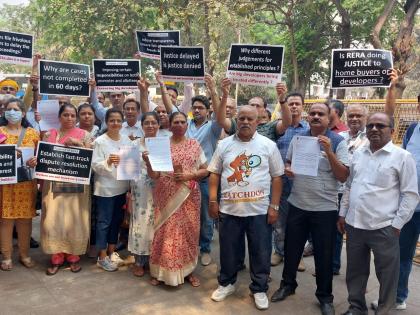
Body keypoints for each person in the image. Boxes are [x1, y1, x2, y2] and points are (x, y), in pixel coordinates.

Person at [271, 103, 349, 315]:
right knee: (291, 248)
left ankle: (325, 297)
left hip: (324, 209)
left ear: (329, 117)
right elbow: (289, 162)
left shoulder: (338, 142)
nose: (315, 116)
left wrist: (329, 152)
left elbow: (343, 176)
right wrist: (288, 169)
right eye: (312, 113)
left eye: (320, 114)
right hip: (298, 204)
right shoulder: (299, 139)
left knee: (323, 254)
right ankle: (288, 284)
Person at [338, 112, 419, 315]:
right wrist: (343, 214)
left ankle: (384, 309)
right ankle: (356, 307)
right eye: (371, 125)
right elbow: (349, 186)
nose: (374, 129)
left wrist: (397, 224)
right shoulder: (358, 153)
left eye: (380, 126)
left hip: (384, 227)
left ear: (392, 131)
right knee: (355, 272)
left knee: (387, 274)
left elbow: (410, 195)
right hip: (355, 225)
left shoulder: (402, 157)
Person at [208, 105, 284, 310]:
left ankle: (259, 288)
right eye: (241, 118)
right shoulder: (224, 145)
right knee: (228, 250)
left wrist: (274, 206)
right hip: (229, 210)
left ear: (258, 121)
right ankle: (227, 283)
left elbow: (277, 177)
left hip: (259, 211)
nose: (245, 122)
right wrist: (213, 201)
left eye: (250, 119)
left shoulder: (268, 145)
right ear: (236, 119)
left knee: (261, 251)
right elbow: (214, 173)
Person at [159, 74, 223, 267]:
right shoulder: (184, 127)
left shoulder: (213, 127)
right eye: (194, 107)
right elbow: (171, 110)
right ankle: (186, 249)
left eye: (200, 108)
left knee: (204, 217)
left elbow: (220, 115)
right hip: (178, 180)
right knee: (184, 218)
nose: (196, 110)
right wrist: (162, 85)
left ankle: (204, 249)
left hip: (203, 178)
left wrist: (213, 89)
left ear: (207, 110)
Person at [145, 111, 208, 287]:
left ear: (187, 125)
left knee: (188, 233)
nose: (179, 125)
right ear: (170, 125)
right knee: (164, 233)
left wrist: (190, 175)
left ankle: (188, 272)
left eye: (182, 122)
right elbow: (155, 175)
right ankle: (159, 272)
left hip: (189, 196)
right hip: (165, 195)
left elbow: (206, 170)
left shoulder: (195, 145)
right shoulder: (160, 145)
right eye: (176, 122)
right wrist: (149, 163)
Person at [40, 103, 92, 275]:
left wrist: (78, 144)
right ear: (59, 117)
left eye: (72, 115)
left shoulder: (84, 135)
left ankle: (73, 257)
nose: (69, 118)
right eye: (66, 115)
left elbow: (93, 156)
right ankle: (56, 257)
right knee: (54, 220)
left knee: (74, 219)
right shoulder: (50, 134)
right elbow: (43, 158)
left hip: (77, 188)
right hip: (54, 187)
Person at [0, 98, 39, 271]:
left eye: (16, 109)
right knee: (5, 220)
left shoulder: (32, 133)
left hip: (26, 184)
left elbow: (41, 156)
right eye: (9, 109)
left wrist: (35, 160)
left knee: (25, 221)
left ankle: (24, 254)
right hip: (5, 185)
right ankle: (7, 256)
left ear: (23, 113)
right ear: (4, 112)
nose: (12, 112)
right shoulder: (0, 132)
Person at [92, 109, 133, 271]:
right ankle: (101, 256)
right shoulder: (100, 142)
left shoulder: (126, 141)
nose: (115, 123)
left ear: (122, 122)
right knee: (104, 222)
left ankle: (111, 251)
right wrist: (108, 162)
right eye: (112, 120)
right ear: (106, 122)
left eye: (118, 120)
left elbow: (131, 163)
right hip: (105, 189)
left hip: (121, 188)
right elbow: (95, 165)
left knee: (116, 221)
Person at [272, 92, 309, 271]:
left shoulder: (309, 130)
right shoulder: (278, 128)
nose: (294, 106)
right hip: (279, 181)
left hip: (300, 183)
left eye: (297, 104)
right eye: (290, 103)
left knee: (298, 222)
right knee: (279, 220)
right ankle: (279, 252)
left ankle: (297, 255)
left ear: (303, 106)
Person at [128, 112, 160, 277]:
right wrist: (129, 193)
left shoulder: (163, 144)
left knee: (156, 225)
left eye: (154, 123)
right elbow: (128, 172)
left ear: (158, 125)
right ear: (142, 125)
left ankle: (154, 260)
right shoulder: (133, 145)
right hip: (139, 192)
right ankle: (139, 261)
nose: (150, 126)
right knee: (140, 225)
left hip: (159, 190)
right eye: (147, 123)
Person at [216, 78, 292, 143]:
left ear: (264, 110)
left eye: (258, 106)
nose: (254, 108)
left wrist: (282, 100)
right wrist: (225, 96)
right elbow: (221, 120)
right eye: (252, 105)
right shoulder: (237, 123)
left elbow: (287, 123)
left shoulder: (271, 127)